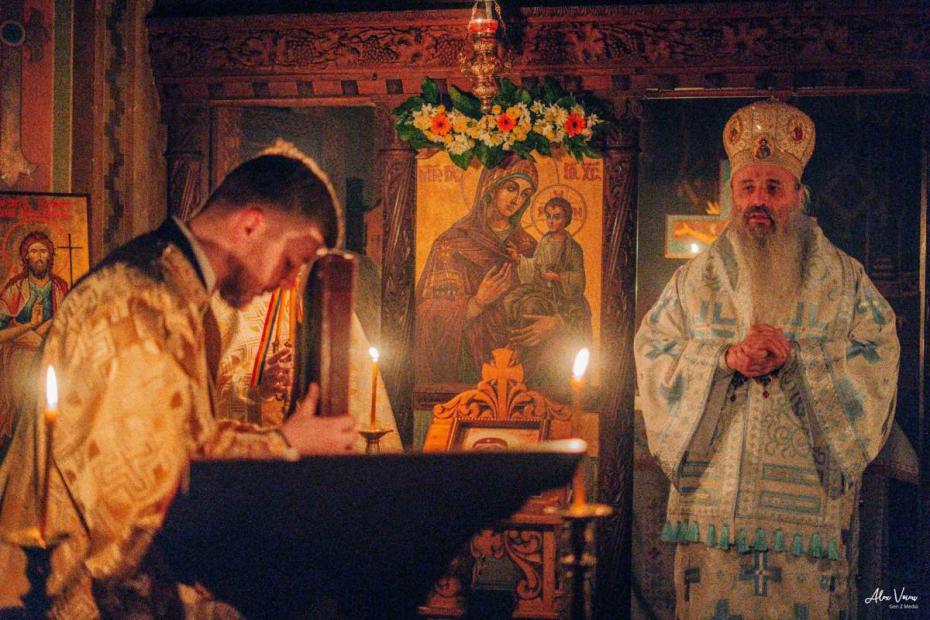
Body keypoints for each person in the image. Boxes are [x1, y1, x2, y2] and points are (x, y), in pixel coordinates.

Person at [0, 152, 360, 617]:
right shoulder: (139, 300)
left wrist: (287, 440)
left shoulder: (175, 293)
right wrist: (283, 444)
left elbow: (175, 441)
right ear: (251, 224)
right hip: (65, 593)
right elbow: (131, 489)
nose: (289, 283)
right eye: (293, 260)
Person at [634, 100, 899, 619]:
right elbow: (653, 348)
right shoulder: (695, 279)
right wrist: (722, 359)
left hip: (805, 513)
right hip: (713, 509)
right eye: (747, 187)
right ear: (731, 195)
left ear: (799, 195)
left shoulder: (844, 279)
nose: (759, 200)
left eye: (773, 187)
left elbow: (879, 354)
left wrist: (799, 359)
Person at [415, 156, 540, 385]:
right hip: (467, 365)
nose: (517, 200)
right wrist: (477, 303)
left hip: (521, 364)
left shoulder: (529, 247)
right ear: (491, 187)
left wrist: (551, 323)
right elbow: (425, 315)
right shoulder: (451, 243)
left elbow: (553, 299)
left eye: (525, 194)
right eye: (511, 188)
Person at [503, 195, 592, 388]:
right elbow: (535, 265)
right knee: (510, 299)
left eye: (557, 217)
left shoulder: (573, 248)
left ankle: (527, 353)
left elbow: (579, 278)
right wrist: (519, 259)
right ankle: (515, 340)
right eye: (549, 217)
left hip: (563, 294)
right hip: (541, 289)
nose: (551, 221)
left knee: (531, 306)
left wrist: (558, 277)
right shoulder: (544, 241)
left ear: (566, 219)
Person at [0, 232, 69, 444]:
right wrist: (30, 326)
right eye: (33, 251)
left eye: (43, 251)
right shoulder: (14, 290)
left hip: (51, 356)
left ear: (50, 256)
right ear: (26, 256)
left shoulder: (60, 288)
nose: (39, 256)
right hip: (20, 360)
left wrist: (52, 324)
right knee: (23, 412)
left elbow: (69, 325)